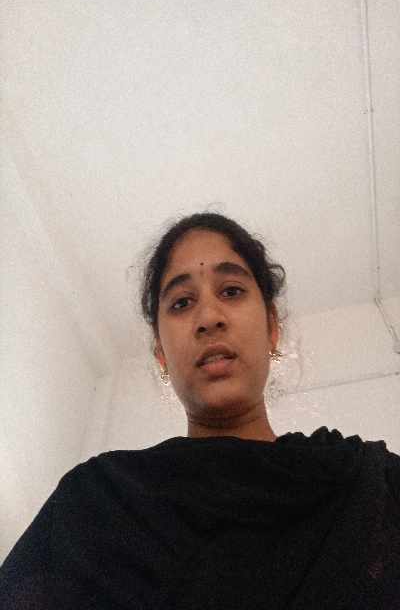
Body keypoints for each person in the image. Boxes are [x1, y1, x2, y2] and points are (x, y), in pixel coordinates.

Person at [1, 211, 399, 609]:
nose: (208, 318)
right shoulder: (96, 504)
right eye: (182, 302)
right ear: (161, 353)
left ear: (271, 328)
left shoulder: (373, 486)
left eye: (231, 291)